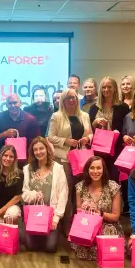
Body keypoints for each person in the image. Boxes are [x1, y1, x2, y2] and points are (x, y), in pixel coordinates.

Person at [46, 88, 92, 221]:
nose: (72, 100)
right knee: (66, 191)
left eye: (74, 97)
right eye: (68, 98)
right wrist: (65, 141)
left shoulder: (84, 115)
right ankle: (65, 222)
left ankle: (81, 221)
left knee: (81, 190)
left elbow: (90, 132)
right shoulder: (57, 116)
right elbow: (50, 137)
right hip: (64, 158)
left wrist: (87, 139)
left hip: (81, 157)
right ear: (63, 101)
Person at [71, 156, 124, 261]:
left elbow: (115, 217)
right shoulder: (80, 187)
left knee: (105, 240)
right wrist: (84, 210)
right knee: (83, 247)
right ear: (87, 169)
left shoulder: (113, 187)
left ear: (103, 170)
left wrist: (99, 213)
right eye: (92, 168)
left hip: (107, 224)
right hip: (87, 225)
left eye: (99, 168)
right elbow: (78, 213)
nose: (95, 171)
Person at [21, 137, 68, 253]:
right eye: (35, 150)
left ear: (47, 149)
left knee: (50, 248)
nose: (38, 152)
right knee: (30, 247)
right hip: (33, 216)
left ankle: (46, 235)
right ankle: (36, 235)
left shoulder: (58, 168)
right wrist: (33, 195)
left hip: (51, 217)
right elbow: (23, 194)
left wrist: (56, 219)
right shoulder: (27, 169)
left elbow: (63, 193)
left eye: (41, 148)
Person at [89, 76, 130, 179]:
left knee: (114, 178)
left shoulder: (123, 107)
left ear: (115, 88)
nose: (106, 90)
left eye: (109, 87)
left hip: (116, 149)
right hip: (98, 150)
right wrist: (95, 122)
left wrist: (117, 132)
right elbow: (88, 129)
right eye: (104, 87)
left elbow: (127, 127)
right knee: (99, 178)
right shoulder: (94, 107)